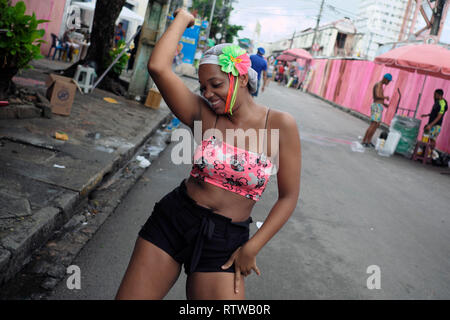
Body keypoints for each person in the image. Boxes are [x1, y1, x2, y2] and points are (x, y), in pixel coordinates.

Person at [115, 8, 301, 300]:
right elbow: (159, 67)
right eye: (203, 87)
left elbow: (288, 196)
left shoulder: (279, 124)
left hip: (225, 243)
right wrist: (183, 19)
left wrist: (252, 247)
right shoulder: (202, 113)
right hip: (174, 221)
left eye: (216, 84)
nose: (208, 93)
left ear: (240, 77)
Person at [361, 73, 392, 147]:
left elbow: (378, 98)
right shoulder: (378, 85)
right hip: (376, 106)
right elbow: (377, 95)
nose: (389, 83)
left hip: (378, 106)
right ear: (385, 79)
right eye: (388, 81)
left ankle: (368, 141)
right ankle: (365, 141)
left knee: (376, 125)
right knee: (373, 125)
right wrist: (385, 97)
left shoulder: (380, 85)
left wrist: (384, 104)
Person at [421, 89, 448, 157]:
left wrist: (430, 125)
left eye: (435, 95)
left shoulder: (442, 103)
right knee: (427, 137)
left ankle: (431, 154)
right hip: (432, 123)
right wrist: (427, 115)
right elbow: (435, 113)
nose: (434, 96)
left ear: (439, 95)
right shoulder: (437, 101)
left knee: (432, 139)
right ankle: (426, 153)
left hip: (436, 125)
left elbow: (439, 116)